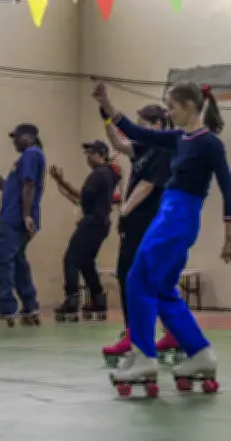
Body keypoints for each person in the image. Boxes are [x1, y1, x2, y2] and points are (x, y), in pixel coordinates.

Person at [93, 79, 229, 394]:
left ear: (188, 106)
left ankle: (143, 355)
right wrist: (107, 102)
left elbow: (227, 186)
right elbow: (136, 131)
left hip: (177, 217)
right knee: (164, 290)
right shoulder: (179, 138)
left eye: (171, 106)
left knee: (138, 279)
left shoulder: (209, 143)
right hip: (172, 214)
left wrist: (228, 234)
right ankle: (199, 353)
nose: (168, 112)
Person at [98, 105, 177, 367]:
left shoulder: (163, 149)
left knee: (129, 274)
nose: (137, 128)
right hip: (137, 223)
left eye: (142, 123)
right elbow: (119, 144)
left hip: (146, 222)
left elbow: (148, 184)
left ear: (156, 125)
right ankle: (173, 332)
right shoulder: (145, 148)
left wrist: (125, 211)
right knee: (149, 278)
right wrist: (106, 117)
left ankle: (134, 334)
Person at [0, 123, 45, 327]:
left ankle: (7, 306)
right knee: (17, 261)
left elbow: (29, 184)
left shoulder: (32, 154)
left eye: (16, 137)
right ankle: (29, 304)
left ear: (30, 137)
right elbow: (7, 187)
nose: (14, 141)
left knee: (2, 259)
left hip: (15, 218)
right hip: (15, 216)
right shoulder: (25, 158)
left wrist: (26, 215)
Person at [49, 140, 119, 323]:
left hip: (92, 223)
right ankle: (98, 299)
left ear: (101, 154)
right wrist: (62, 184)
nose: (88, 157)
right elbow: (84, 198)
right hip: (101, 224)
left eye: (91, 153)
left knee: (71, 259)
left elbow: (82, 197)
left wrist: (62, 182)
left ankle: (72, 300)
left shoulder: (99, 174)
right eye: (86, 154)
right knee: (86, 262)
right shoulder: (108, 173)